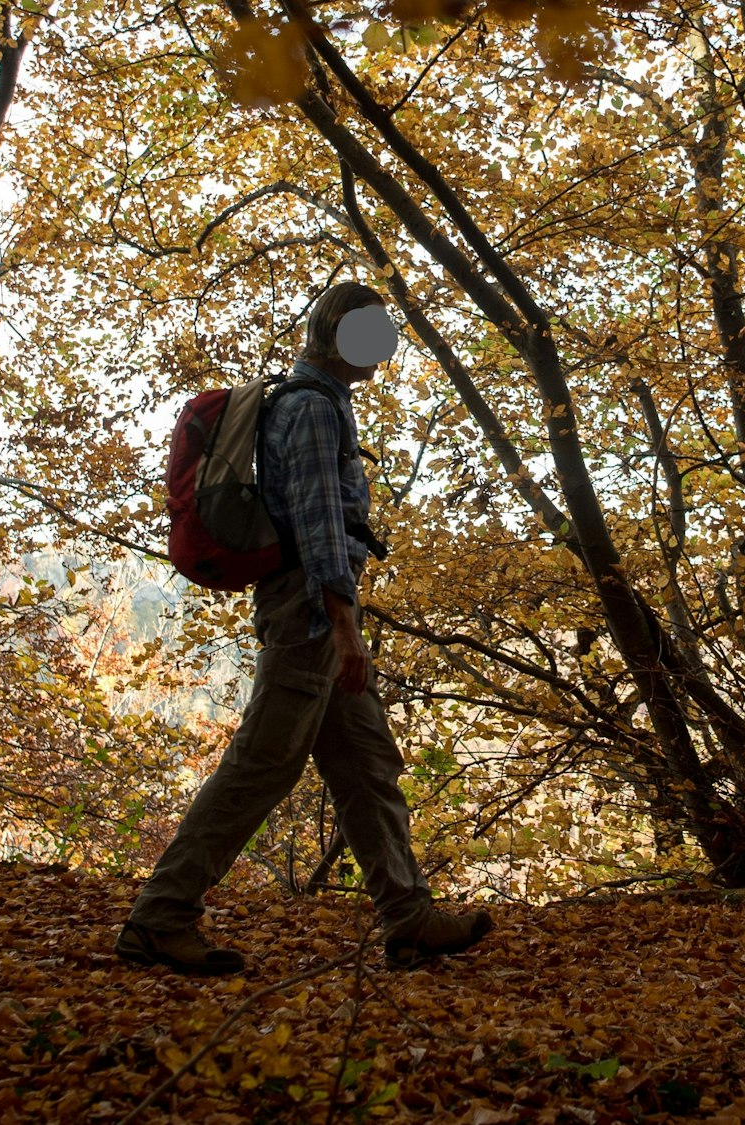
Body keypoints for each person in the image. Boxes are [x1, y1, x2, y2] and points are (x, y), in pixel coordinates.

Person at [117, 281, 492, 974]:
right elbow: (321, 527)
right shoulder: (315, 411)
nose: (382, 351)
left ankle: (407, 916)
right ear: (337, 335)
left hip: (317, 609)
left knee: (367, 766)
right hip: (312, 614)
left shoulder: (309, 401)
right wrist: (345, 629)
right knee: (261, 766)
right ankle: (160, 915)